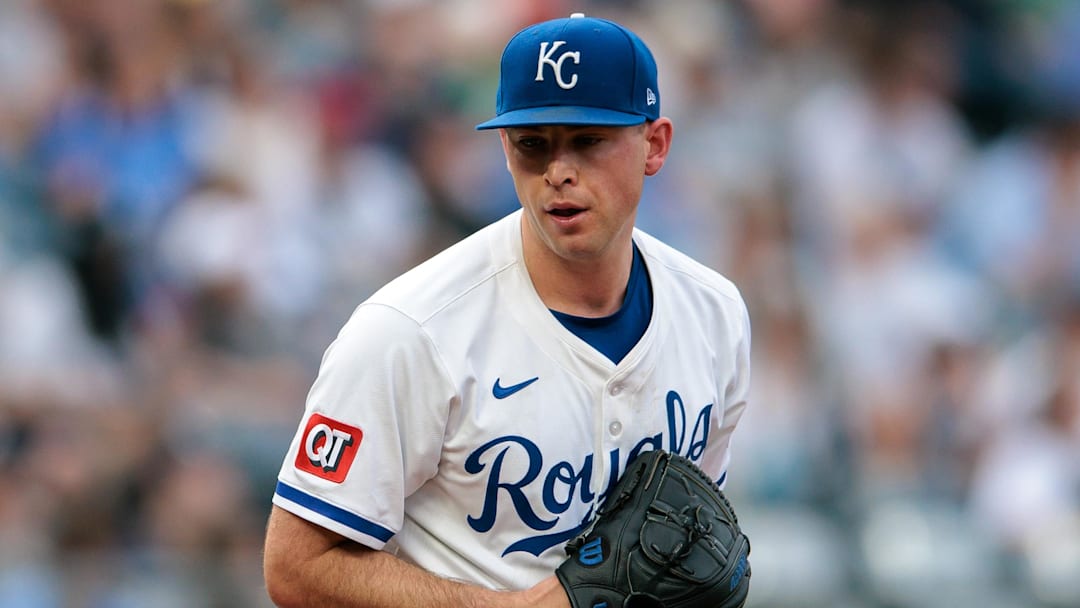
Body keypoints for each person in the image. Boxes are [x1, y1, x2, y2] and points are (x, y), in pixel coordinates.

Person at [262, 12, 752, 607]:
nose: (558, 171)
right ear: (504, 146)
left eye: (588, 140)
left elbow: (694, 545)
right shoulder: (410, 331)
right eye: (532, 144)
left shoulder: (715, 314)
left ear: (654, 144)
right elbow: (295, 567)